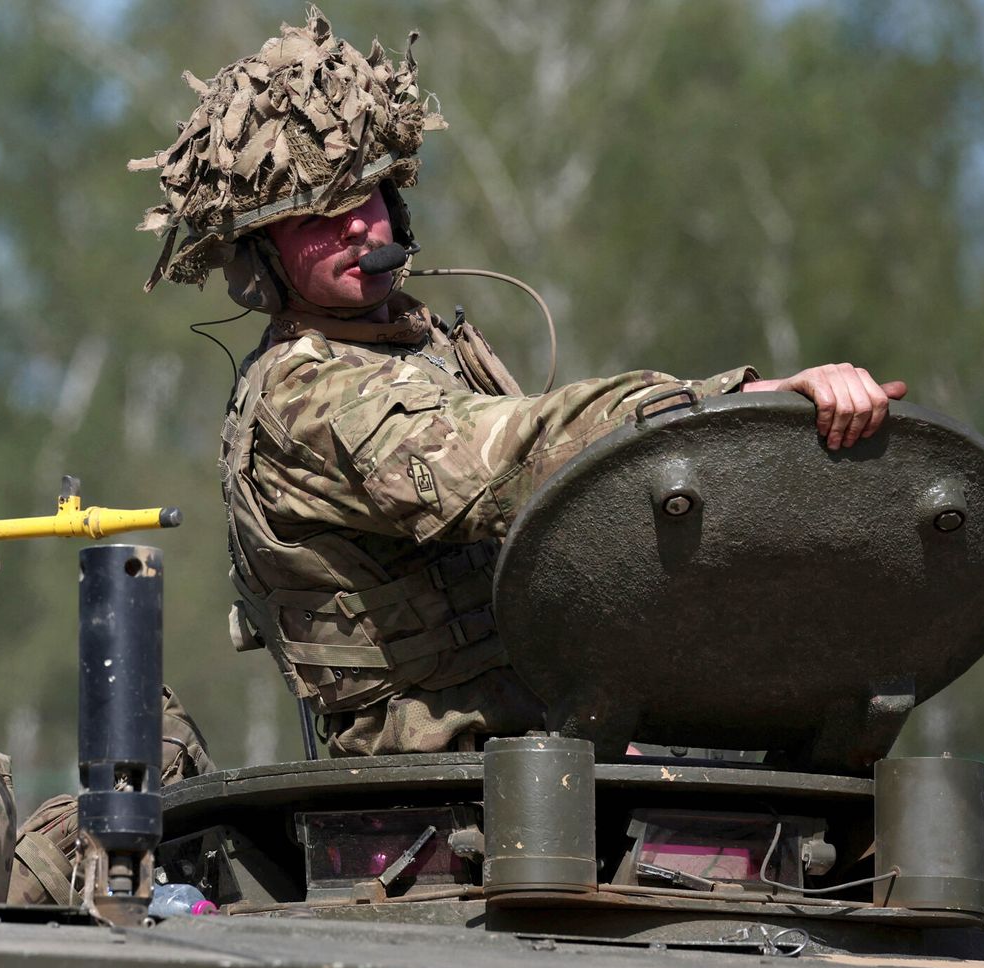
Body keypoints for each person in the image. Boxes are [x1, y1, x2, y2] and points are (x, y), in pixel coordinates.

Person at [131, 8, 905, 757]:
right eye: (315, 220)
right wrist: (727, 404)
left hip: (539, 741)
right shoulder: (304, 394)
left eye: (363, 197)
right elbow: (498, 461)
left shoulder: (422, 345)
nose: (356, 227)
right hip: (433, 780)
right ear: (261, 261)